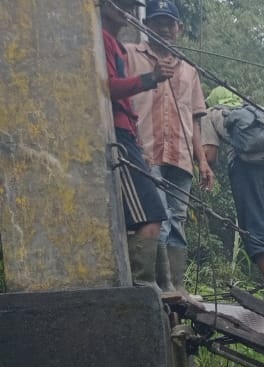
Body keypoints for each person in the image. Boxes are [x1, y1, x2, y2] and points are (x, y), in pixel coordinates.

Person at [126, 0, 210, 303]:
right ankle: (157, 287)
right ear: (146, 25)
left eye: (169, 22)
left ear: (179, 28)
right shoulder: (131, 55)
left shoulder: (189, 70)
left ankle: (176, 286)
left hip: (182, 155)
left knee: (177, 218)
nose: (164, 27)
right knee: (155, 216)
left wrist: (203, 161)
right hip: (145, 150)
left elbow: (195, 118)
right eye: (157, 21)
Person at [200, 87, 264, 308]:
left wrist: (198, 157)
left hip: (247, 169)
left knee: (254, 226)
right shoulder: (255, 108)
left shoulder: (211, 113)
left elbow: (210, 155)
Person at [100, 0, 174, 289]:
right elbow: (107, 87)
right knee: (151, 216)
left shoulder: (116, 45)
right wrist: (151, 78)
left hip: (129, 135)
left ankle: (160, 287)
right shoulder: (102, 42)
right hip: (118, 135)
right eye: (122, 4)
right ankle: (143, 290)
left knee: (155, 215)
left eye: (131, 6)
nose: (128, 11)